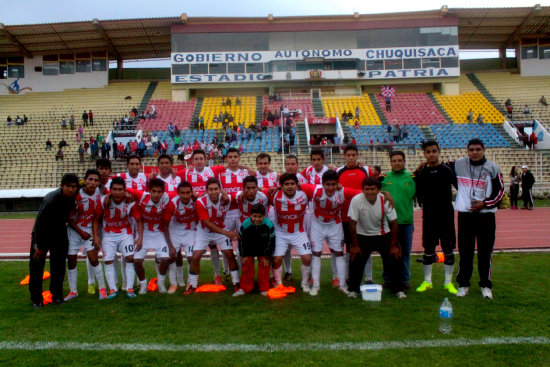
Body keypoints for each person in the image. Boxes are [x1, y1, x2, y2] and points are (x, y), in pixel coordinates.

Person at [450, 138, 504, 299]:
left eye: (478, 149)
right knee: (465, 251)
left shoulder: (493, 168)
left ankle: (486, 285)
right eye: (471, 149)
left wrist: (485, 204)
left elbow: (500, 192)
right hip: (465, 215)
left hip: (486, 216)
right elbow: (440, 167)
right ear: (467, 151)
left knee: (485, 252)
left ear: (483, 150)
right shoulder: (458, 164)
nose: (474, 152)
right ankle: (463, 284)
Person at [300, 170, 361, 295]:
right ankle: (316, 285)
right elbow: (297, 184)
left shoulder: (343, 191)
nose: (331, 188)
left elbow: (362, 192)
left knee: (339, 253)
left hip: (335, 225)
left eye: (333, 184)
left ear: (337, 183)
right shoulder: (315, 190)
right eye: (328, 184)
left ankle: (343, 285)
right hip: (317, 225)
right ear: (322, 184)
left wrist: (383, 194)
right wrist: (276, 187)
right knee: (316, 254)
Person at [347, 177, 406, 299]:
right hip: (362, 235)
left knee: (394, 257)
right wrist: (355, 245)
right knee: (355, 258)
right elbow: (352, 223)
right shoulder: (356, 200)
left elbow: (394, 223)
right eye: (366, 189)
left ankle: (398, 289)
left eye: (372, 189)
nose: (369, 192)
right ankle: (353, 289)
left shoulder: (385, 200)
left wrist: (394, 245)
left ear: (378, 189)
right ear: (362, 190)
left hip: (382, 235)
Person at [414, 141, 458, 294]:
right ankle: (427, 282)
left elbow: (461, 187)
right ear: (424, 154)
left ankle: (448, 283)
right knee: (428, 249)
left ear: (439, 152)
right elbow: (413, 189)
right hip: (429, 217)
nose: (431, 154)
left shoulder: (448, 170)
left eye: (434, 151)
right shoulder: (421, 173)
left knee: (448, 249)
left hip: (446, 216)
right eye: (428, 152)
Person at [29, 174, 79, 308]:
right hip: (42, 234)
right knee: (37, 267)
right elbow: (40, 223)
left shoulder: (75, 192)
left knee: (59, 267)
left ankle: (56, 296)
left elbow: (85, 183)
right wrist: (39, 245)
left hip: (59, 234)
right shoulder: (52, 199)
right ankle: (36, 299)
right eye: (68, 186)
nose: (71, 189)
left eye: (74, 187)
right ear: (62, 186)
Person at [186, 178, 241, 295]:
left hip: (221, 229)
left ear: (220, 190)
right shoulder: (201, 202)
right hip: (204, 231)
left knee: (230, 254)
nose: (214, 192)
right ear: (206, 191)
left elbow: (243, 194)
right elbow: (207, 223)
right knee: (195, 256)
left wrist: (225, 194)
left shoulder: (227, 199)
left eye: (216, 189)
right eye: (210, 189)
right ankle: (192, 285)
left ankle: (236, 283)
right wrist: (227, 233)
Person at [93, 177, 142, 298]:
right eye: (114, 189)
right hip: (108, 235)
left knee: (130, 258)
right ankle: (113, 290)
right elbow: (95, 220)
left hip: (125, 233)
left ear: (124, 190)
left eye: (120, 189)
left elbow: (139, 220)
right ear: (110, 190)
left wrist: (140, 237)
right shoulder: (103, 201)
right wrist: (96, 237)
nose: (117, 192)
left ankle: (129, 288)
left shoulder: (130, 201)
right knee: (108, 261)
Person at [63, 170, 107, 301]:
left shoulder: (100, 192)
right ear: (85, 180)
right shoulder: (76, 195)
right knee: (71, 260)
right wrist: (80, 232)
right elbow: (69, 218)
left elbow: (95, 218)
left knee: (93, 259)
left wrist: (95, 236)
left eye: (95, 180)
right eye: (90, 179)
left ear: (98, 182)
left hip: (90, 229)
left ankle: (102, 288)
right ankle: (73, 291)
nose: (92, 183)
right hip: (74, 230)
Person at [127, 178, 176, 294]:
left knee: (165, 259)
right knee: (137, 261)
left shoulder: (168, 199)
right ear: (149, 191)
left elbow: (183, 193)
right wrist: (124, 193)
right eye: (153, 191)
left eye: (159, 192)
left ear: (163, 192)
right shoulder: (142, 196)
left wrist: (196, 195)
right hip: (143, 232)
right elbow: (121, 189)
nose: (156, 194)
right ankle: (143, 284)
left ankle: (161, 282)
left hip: (159, 233)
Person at [269, 173, 312, 292]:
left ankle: (305, 283)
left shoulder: (304, 194)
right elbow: (259, 190)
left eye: (292, 184)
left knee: (307, 258)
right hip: (280, 233)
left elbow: (319, 189)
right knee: (276, 259)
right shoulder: (274, 195)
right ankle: (278, 284)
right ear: (281, 186)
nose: (290, 186)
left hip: (298, 232)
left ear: (297, 185)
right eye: (286, 184)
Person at [380, 151, 415, 288]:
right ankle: (388, 280)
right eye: (394, 160)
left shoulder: (412, 177)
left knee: (405, 252)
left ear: (404, 162)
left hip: (406, 221)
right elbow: (372, 190)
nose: (397, 163)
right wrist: (385, 192)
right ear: (390, 162)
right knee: (388, 252)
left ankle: (404, 280)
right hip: (388, 222)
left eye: (400, 160)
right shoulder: (383, 178)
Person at [235, 204, 274, 296]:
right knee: (247, 266)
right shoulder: (245, 224)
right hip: (249, 248)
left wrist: (267, 257)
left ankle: (263, 288)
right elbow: (241, 241)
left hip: (263, 249)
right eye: (254, 216)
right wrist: (243, 255)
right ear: (250, 215)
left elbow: (272, 241)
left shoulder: (269, 224)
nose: (257, 219)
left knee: (264, 266)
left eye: (260, 217)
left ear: (264, 216)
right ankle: (245, 288)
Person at [167, 181, 198, 293]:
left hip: (190, 230)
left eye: (188, 193)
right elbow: (166, 222)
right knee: (172, 256)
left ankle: (190, 282)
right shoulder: (173, 203)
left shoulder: (196, 200)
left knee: (191, 257)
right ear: (178, 193)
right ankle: (173, 283)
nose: (185, 196)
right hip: (175, 230)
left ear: (192, 192)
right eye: (182, 193)